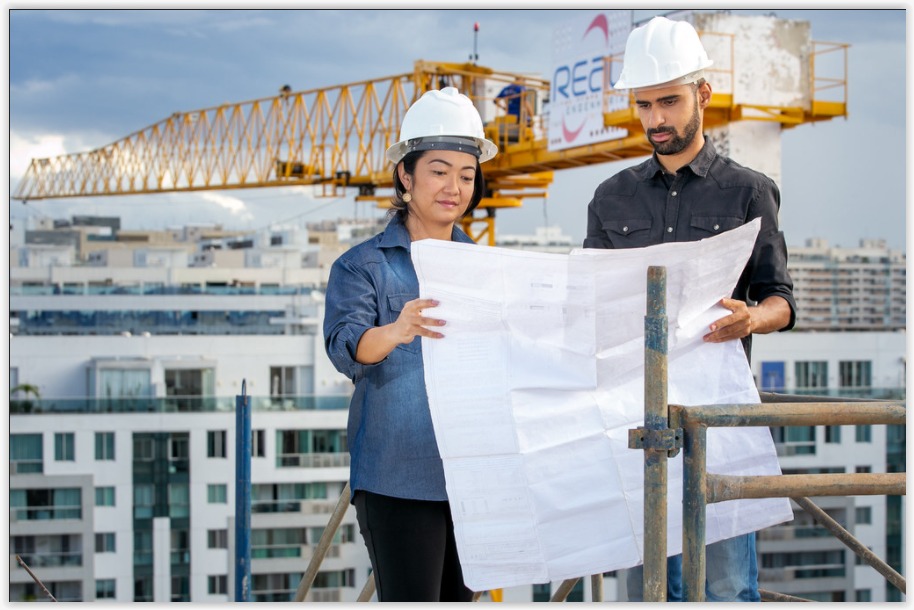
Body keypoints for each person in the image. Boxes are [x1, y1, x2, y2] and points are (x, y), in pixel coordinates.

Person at [583, 16, 796, 602]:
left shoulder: (750, 192)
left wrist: (753, 318)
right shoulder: (610, 197)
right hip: (636, 417)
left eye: (669, 101)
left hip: (721, 420)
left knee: (726, 587)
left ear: (703, 94)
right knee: (653, 587)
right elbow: (589, 299)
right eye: (644, 104)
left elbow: (781, 300)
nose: (655, 119)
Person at [323, 87, 497, 602]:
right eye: (439, 171)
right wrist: (397, 330)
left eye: (466, 176)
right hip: (398, 479)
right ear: (406, 174)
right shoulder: (363, 265)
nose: (455, 188)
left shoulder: (485, 268)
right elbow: (347, 346)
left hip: (473, 475)